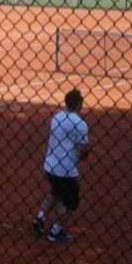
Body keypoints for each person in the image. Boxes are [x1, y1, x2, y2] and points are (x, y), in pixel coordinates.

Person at [33, 89, 89, 244]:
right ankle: (55, 232)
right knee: (70, 203)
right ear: (79, 104)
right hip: (67, 170)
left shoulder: (56, 117)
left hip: (50, 166)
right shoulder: (81, 124)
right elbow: (84, 150)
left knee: (55, 193)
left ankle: (40, 218)